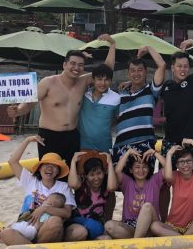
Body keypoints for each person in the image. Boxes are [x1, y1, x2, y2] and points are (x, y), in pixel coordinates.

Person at [7, 35, 116, 166]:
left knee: (71, 172)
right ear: (64, 64)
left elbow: (106, 70)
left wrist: (112, 45)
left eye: (80, 65)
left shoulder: (83, 82)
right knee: (49, 172)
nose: (76, 68)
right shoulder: (48, 83)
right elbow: (29, 103)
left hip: (72, 136)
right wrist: (18, 111)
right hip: (49, 136)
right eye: (73, 63)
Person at [0, 136, 76, 245]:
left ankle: (29, 246)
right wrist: (27, 140)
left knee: (55, 221)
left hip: (47, 231)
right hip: (25, 226)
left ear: (58, 171)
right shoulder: (31, 181)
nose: (49, 168)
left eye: (54, 166)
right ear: (40, 168)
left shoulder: (63, 187)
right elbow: (12, 162)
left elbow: (67, 213)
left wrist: (44, 209)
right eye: (46, 165)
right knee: (6, 233)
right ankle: (32, 248)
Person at [150, 138, 193, 236]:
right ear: (177, 165)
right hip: (173, 226)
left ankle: (183, 238)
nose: (185, 164)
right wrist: (169, 154)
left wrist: (192, 142)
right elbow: (167, 176)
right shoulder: (175, 176)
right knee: (154, 226)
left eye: (189, 161)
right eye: (181, 162)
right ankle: (183, 239)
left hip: (192, 226)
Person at [160, 40, 193, 154]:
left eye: (186, 66)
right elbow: (151, 88)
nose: (183, 69)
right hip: (170, 142)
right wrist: (131, 83)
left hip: (191, 142)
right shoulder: (166, 86)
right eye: (179, 66)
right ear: (173, 68)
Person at [113, 47, 167, 160]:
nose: (136, 73)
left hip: (145, 145)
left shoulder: (151, 90)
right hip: (121, 145)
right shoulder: (121, 92)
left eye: (140, 70)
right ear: (128, 74)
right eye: (132, 71)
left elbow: (162, 65)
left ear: (146, 72)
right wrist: (130, 82)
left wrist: (148, 48)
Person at [104, 147, 165, 238]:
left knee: (147, 207)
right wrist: (128, 153)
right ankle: (138, 239)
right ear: (131, 170)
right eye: (137, 167)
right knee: (109, 225)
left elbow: (167, 167)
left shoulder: (154, 181)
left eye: (144, 167)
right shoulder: (127, 182)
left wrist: (154, 152)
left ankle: (136, 241)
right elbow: (117, 171)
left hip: (150, 227)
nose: (141, 170)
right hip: (130, 227)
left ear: (149, 169)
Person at [65, 151, 116, 240]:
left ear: (104, 173)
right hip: (78, 224)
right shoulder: (81, 182)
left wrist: (110, 163)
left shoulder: (106, 186)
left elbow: (112, 187)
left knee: (106, 239)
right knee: (82, 231)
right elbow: (72, 184)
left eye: (99, 173)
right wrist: (73, 162)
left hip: (97, 227)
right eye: (91, 175)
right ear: (86, 176)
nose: (96, 178)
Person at [78, 64, 120, 153]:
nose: (103, 83)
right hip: (82, 146)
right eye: (99, 79)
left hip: (104, 148)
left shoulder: (116, 98)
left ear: (111, 81)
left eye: (106, 80)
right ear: (93, 80)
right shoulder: (83, 94)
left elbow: (120, 121)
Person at [0, 192, 66, 243]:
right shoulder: (49, 213)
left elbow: (39, 222)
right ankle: (3, 234)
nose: (44, 200)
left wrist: (43, 208)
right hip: (31, 229)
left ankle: (1, 234)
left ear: (51, 205)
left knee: (15, 227)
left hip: (32, 229)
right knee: (12, 229)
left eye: (46, 199)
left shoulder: (46, 212)